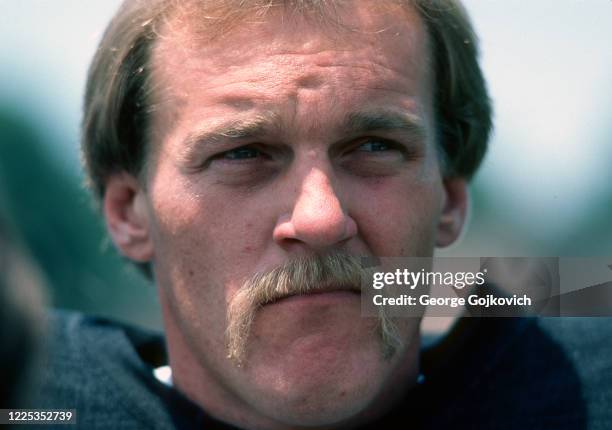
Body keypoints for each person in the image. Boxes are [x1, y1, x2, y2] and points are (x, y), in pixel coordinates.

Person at [32, 0, 612, 428]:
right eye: (243, 154)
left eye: (375, 147)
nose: (320, 219)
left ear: (451, 200)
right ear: (129, 214)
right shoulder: (37, 400)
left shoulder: (583, 389)